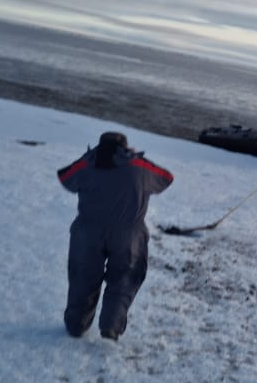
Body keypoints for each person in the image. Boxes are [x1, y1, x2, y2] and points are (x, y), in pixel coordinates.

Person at [57, 131, 174, 341]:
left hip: (87, 232)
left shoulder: (88, 164)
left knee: (83, 277)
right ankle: (111, 326)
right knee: (124, 277)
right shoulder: (139, 167)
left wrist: (88, 157)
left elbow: (65, 177)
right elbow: (166, 177)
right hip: (129, 236)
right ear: (125, 147)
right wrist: (135, 158)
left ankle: (76, 325)